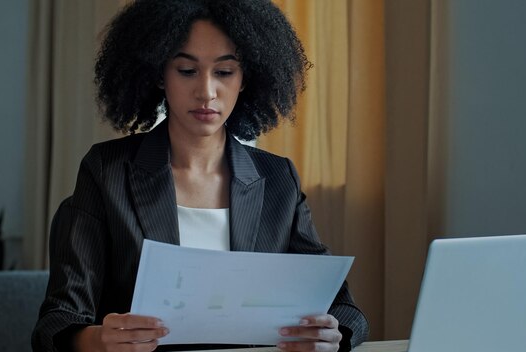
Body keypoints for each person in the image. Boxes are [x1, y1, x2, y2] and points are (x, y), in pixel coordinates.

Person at [32, 0, 369, 351]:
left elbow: (345, 309)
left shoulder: (277, 178)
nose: (206, 91)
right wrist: (98, 340)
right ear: (159, 74)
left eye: (224, 72)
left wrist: (335, 335)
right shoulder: (106, 171)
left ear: (245, 79)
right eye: (187, 70)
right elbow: (56, 321)